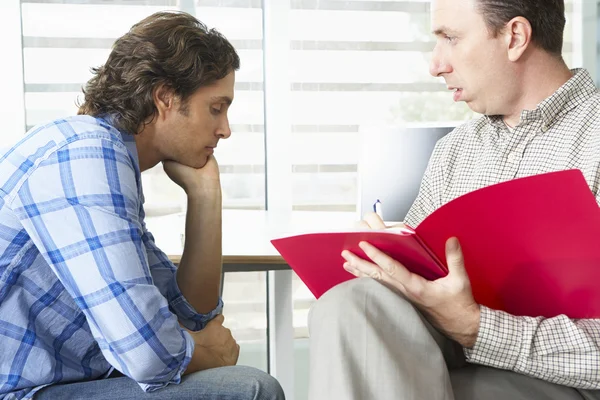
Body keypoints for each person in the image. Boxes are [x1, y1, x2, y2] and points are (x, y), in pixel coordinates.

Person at [307, 0, 600, 399]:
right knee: (350, 303)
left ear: (515, 37)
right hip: (448, 358)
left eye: (450, 37)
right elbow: (415, 293)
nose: (436, 65)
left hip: (561, 380)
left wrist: (478, 327)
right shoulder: (454, 152)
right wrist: (382, 265)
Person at [0, 11, 284, 400]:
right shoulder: (84, 155)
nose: (225, 129)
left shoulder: (110, 159)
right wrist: (207, 352)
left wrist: (205, 196)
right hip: (21, 392)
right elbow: (146, 353)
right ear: (165, 97)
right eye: (216, 108)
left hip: (61, 385)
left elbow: (189, 314)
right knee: (250, 389)